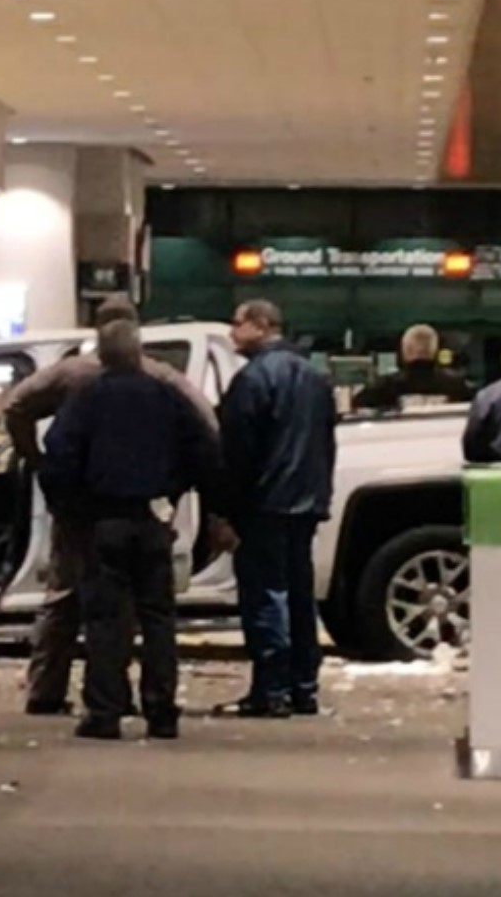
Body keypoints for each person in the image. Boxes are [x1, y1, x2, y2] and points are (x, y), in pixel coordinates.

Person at [3, 296, 217, 717]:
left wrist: (42, 469)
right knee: (153, 612)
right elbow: (207, 430)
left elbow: (18, 409)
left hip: (89, 512)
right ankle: (159, 706)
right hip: (150, 513)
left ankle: (54, 692)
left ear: (96, 333)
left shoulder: (74, 379)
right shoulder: (163, 381)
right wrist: (176, 489)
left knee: (70, 598)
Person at [216, 300, 338, 720]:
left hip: (264, 503)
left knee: (266, 594)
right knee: (300, 595)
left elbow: (237, 453)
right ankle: (304, 687)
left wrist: (226, 511)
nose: (232, 333)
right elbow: (326, 441)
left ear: (261, 326)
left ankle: (270, 689)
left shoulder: (252, 380)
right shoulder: (315, 377)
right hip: (306, 501)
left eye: (237, 324)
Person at [352, 324, 472, 411]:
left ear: (405, 351)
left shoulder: (385, 387)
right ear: (435, 351)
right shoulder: (457, 386)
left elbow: (357, 406)